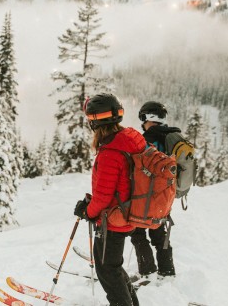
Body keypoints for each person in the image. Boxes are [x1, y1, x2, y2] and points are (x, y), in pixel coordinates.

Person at [73, 93, 146, 306]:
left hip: (114, 220)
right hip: (129, 211)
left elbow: (104, 196)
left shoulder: (110, 152)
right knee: (113, 266)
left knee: (107, 270)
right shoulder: (131, 138)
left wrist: (88, 211)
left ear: (95, 122)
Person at [130, 101, 180, 278]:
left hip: (149, 195)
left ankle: (148, 272)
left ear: (147, 117)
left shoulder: (149, 139)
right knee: (159, 234)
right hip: (166, 195)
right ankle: (167, 271)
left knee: (137, 232)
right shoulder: (171, 136)